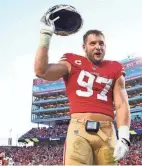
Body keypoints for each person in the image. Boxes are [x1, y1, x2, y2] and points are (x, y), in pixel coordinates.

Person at [34, 18, 131, 165]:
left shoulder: (115, 67)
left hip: (107, 131)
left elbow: (122, 104)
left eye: (101, 43)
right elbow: (41, 71)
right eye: (93, 43)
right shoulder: (72, 61)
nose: (98, 47)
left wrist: (124, 137)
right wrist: (45, 35)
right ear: (84, 47)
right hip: (79, 129)